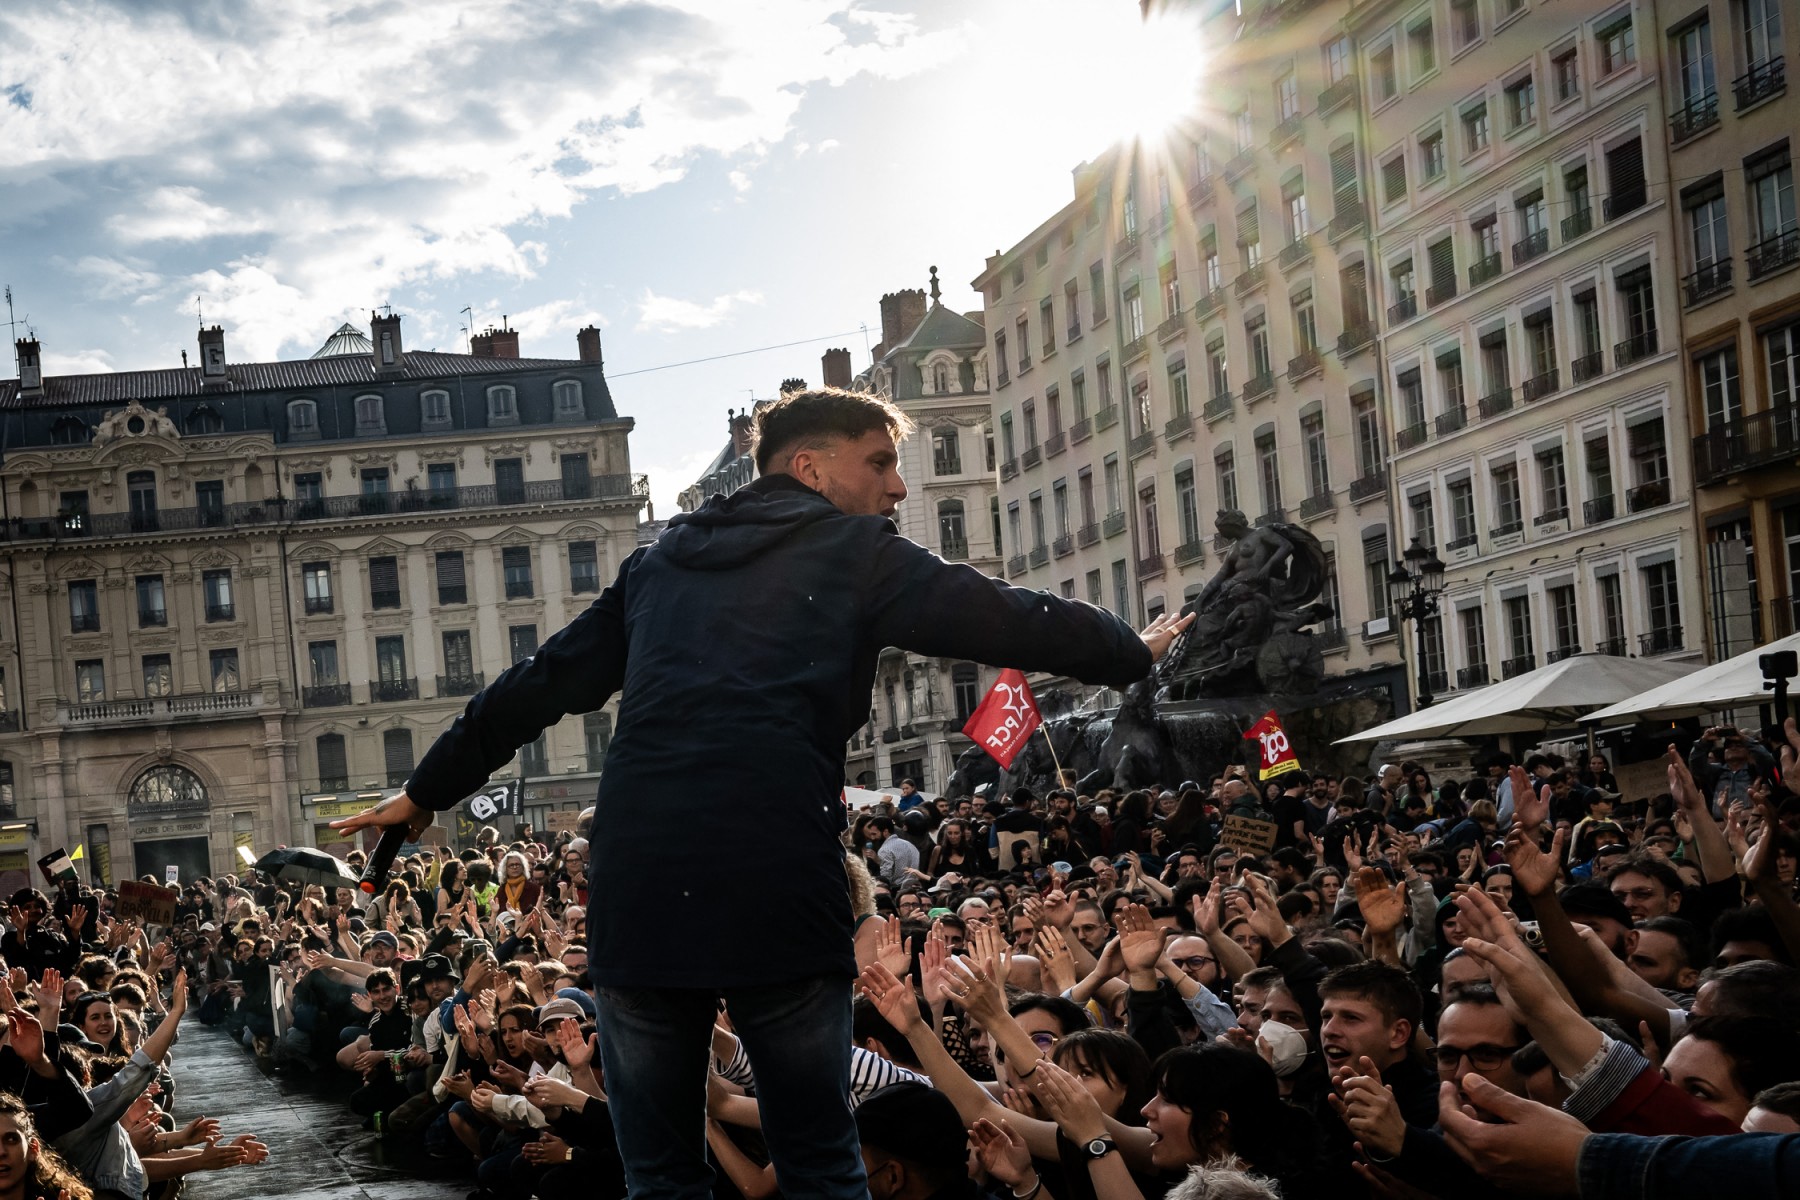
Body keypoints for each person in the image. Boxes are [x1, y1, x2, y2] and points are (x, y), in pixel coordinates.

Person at [334, 386, 1193, 1200]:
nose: (898, 487)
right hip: (774, 879)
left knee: (660, 1178)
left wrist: (424, 790)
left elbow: (538, 682)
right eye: (880, 463)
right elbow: (1006, 615)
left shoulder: (658, 563)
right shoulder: (855, 551)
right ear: (810, 470)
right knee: (820, 1159)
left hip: (640, 891)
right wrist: (1131, 651)